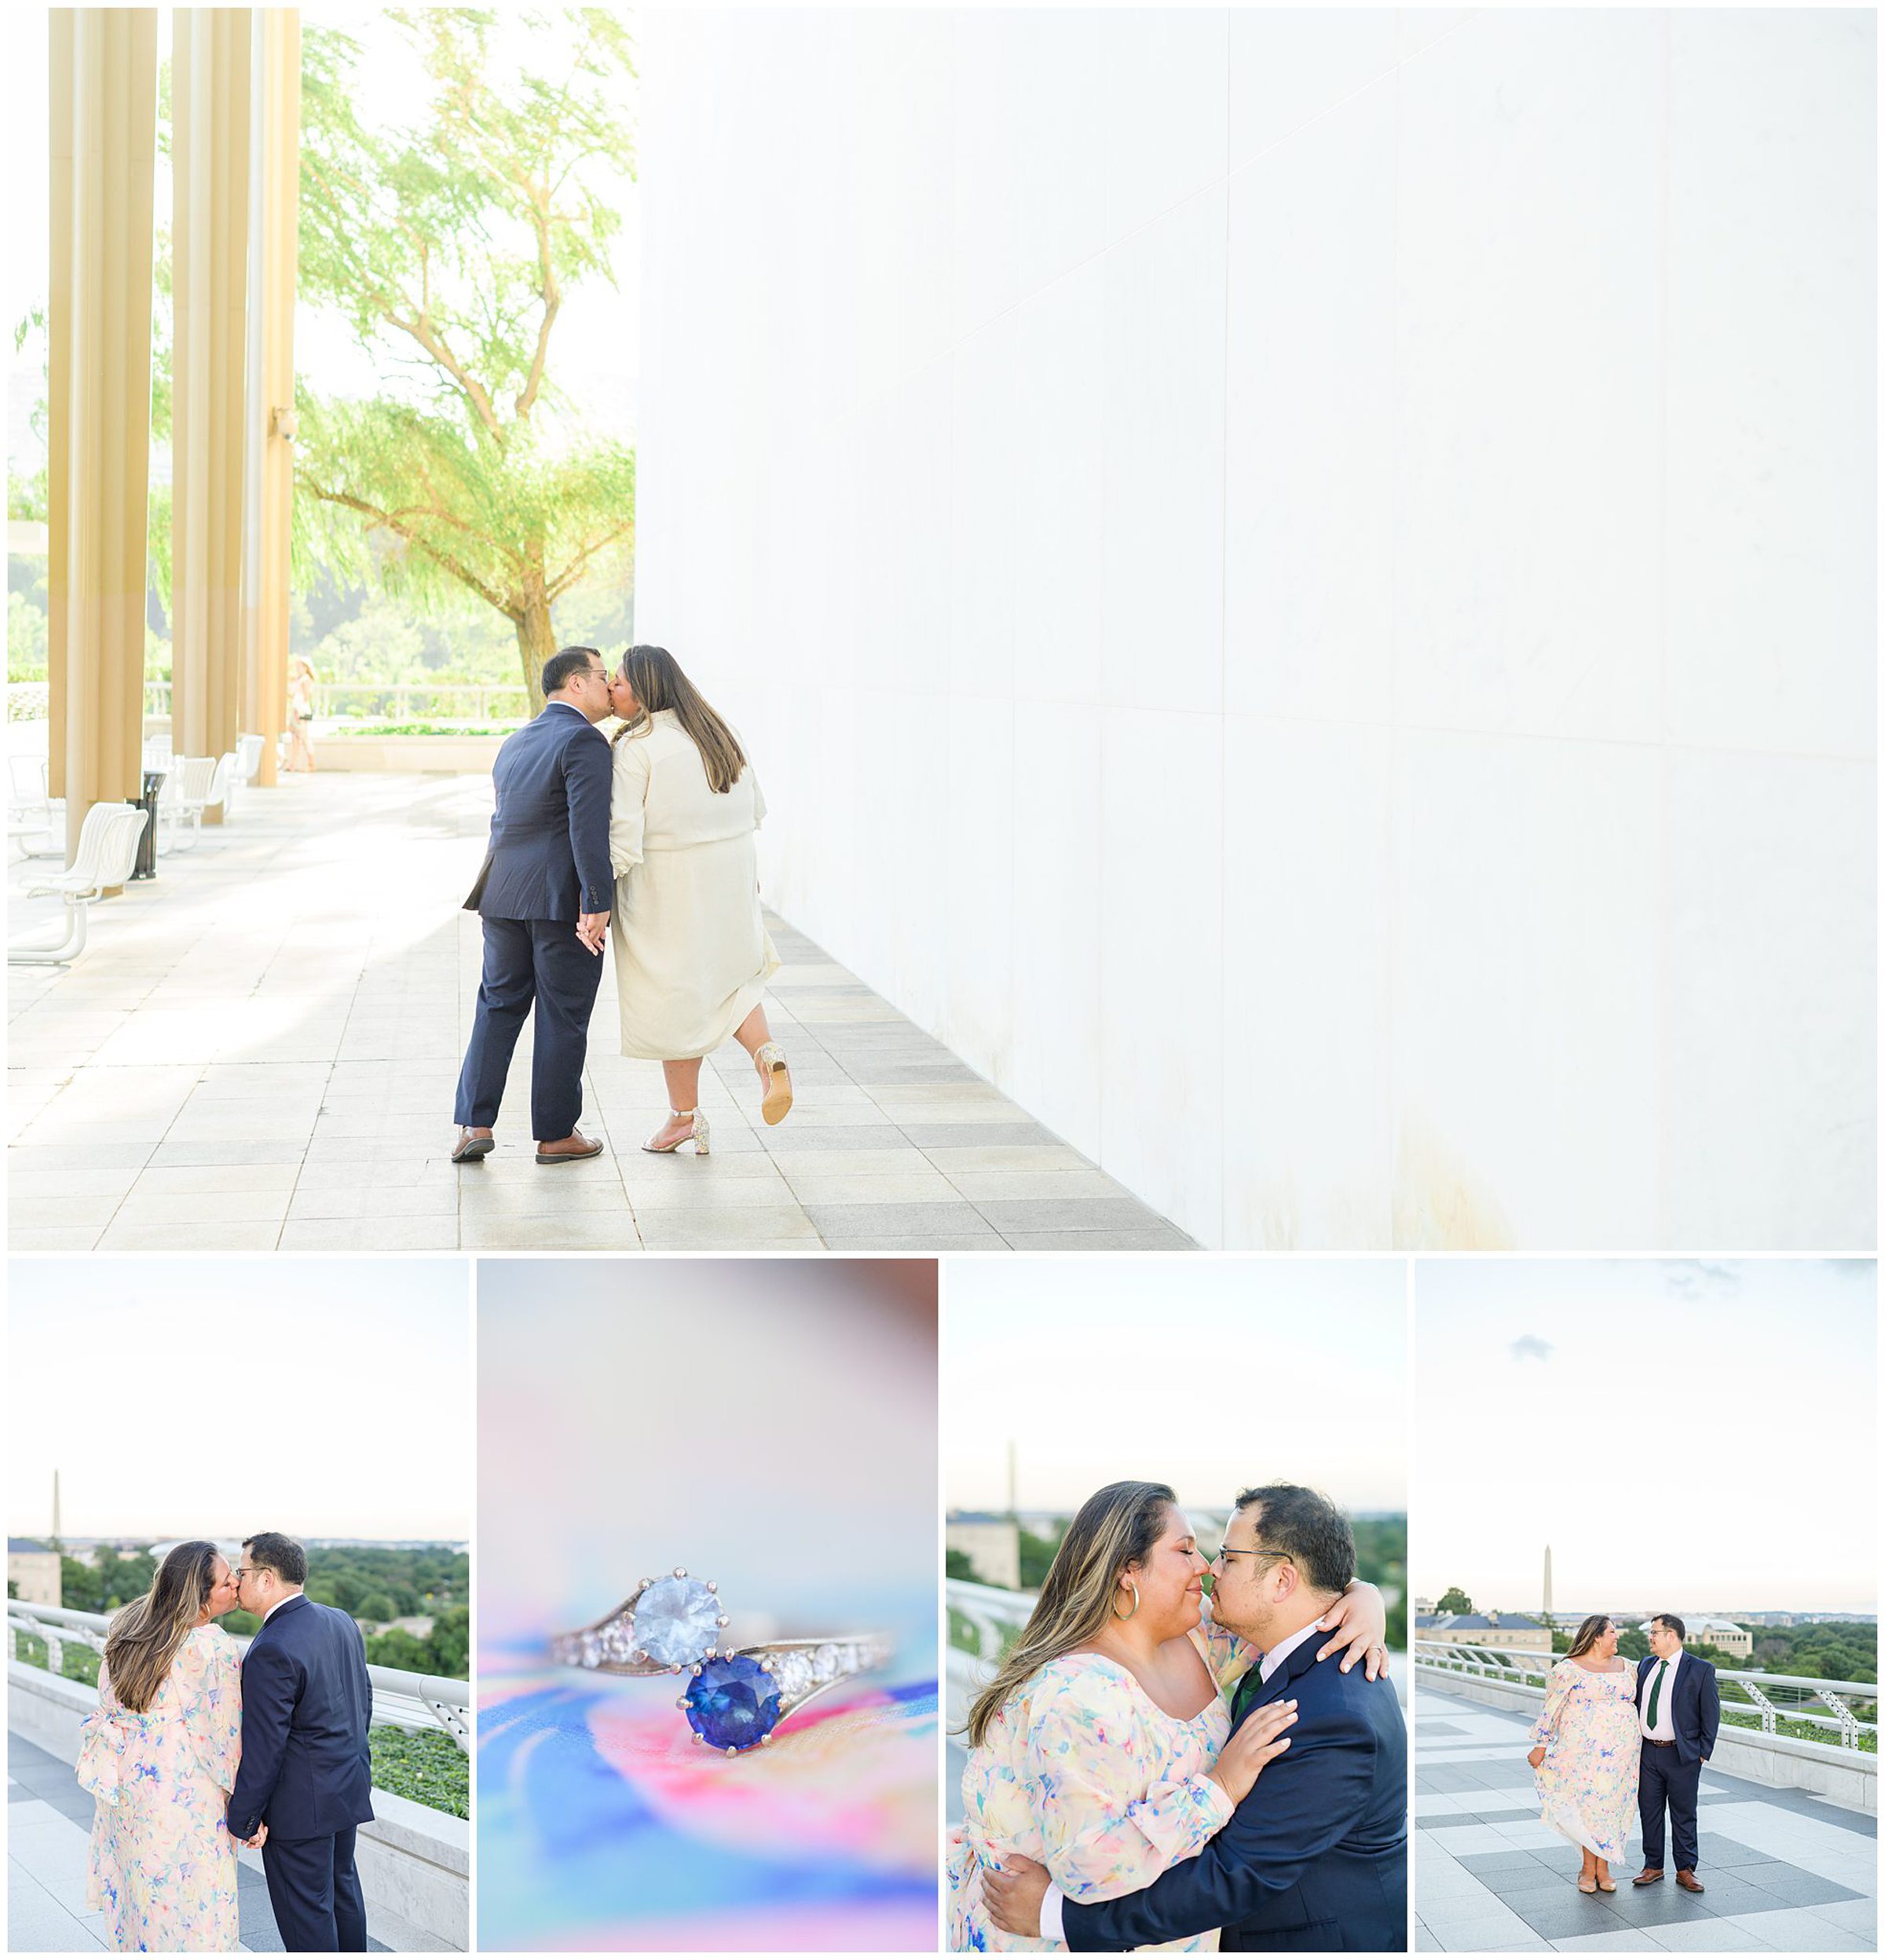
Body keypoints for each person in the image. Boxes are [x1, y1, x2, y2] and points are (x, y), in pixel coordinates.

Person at [951, 1481, 1393, 1953]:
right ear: (1127, 1571)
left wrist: (1364, 1597)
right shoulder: (1075, 1696)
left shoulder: (1196, 1634)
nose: (1205, 1567)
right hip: (1057, 1935)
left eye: (1215, 1554)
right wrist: (1220, 1787)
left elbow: (1288, 1602)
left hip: (1165, 1933)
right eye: (1185, 1550)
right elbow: (1091, 1868)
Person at [604, 644, 789, 1155]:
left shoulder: (637, 747)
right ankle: (767, 1054)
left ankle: (684, 1118)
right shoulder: (718, 729)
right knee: (733, 979)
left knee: (674, 997)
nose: (611, 690)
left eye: (618, 681)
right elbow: (757, 808)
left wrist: (594, 896)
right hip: (731, 872)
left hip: (669, 883)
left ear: (643, 690)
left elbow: (624, 835)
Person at [452, 646, 615, 1166]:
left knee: (496, 1007)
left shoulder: (516, 741)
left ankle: (473, 1124)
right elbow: (586, 829)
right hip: (559, 902)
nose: (610, 686)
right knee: (563, 1015)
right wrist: (596, 901)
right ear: (575, 684)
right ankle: (555, 1133)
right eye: (603, 676)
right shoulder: (584, 740)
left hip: (501, 894)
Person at [79, 1541, 247, 1952]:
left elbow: (107, 1699)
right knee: (196, 1902)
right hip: (183, 1792)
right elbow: (223, 1737)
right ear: (200, 1597)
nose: (236, 1585)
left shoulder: (129, 1627)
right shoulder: (210, 1646)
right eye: (227, 1582)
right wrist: (241, 1799)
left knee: (142, 1892)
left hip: (129, 1785)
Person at [225, 1531, 375, 1952]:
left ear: (267, 1578)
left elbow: (265, 1748)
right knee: (342, 1894)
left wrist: (244, 1817)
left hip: (300, 1808)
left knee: (307, 1915)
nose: (237, 1582)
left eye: (242, 1572)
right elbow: (362, 1702)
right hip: (346, 1788)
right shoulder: (340, 1620)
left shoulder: (271, 1647)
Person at [1526, 1614, 1638, 1894]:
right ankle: (1590, 1869)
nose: (1617, 1637)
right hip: (1581, 1755)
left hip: (1622, 1756)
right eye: (1612, 1632)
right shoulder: (1568, 1669)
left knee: (1611, 1809)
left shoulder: (1628, 1667)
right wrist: (1541, 1744)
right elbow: (1552, 1708)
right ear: (1596, 1636)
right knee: (1588, 1808)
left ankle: (1604, 1868)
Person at [1631, 1613, 1719, 1896]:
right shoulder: (1646, 1665)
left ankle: (1686, 1869)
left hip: (1682, 1755)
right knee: (1650, 1812)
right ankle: (1653, 1866)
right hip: (1648, 1753)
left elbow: (1711, 1713)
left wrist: (1702, 1753)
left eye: (1655, 1633)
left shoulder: (1700, 1669)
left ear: (1671, 1635)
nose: (1650, 1638)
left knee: (1683, 1814)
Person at [285, 657, 317, 773]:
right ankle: (292, 764)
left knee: (304, 738)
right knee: (296, 739)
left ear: (305, 667)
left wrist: (299, 713)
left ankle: (311, 764)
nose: (297, 669)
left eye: (299, 666)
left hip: (301, 713)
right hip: (295, 711)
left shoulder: (306, 680)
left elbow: (305, 699)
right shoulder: (299, 680)